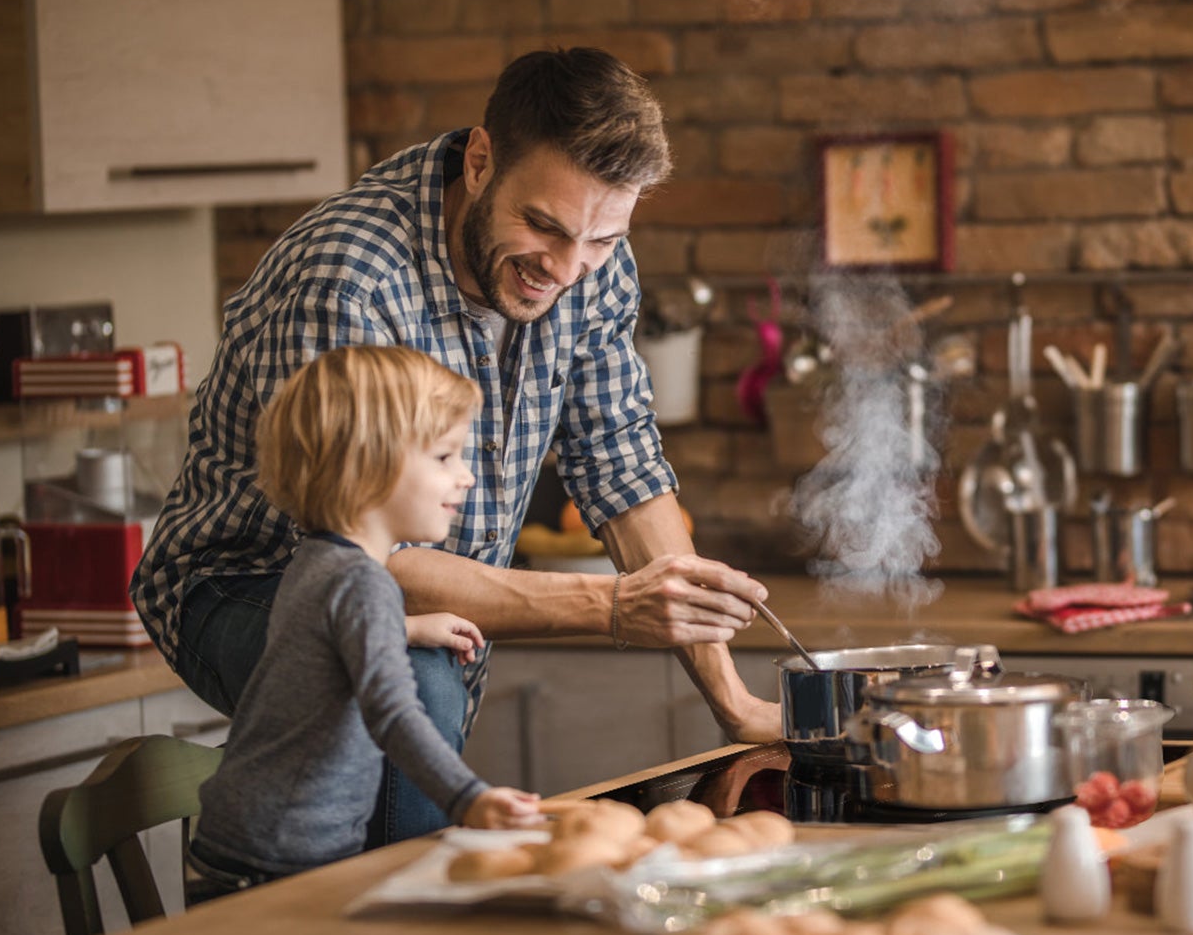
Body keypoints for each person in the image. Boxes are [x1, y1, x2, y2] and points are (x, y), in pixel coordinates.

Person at [132, 47, 780, 846]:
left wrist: (733, 701)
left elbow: (622, 465)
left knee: (419, 692)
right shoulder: (351, 280)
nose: (566, 269)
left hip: (419, 602)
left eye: (602, 239)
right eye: (542, 226)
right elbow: (364, 554)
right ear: (479, 162)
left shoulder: (590, 262)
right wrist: (612, 608)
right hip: (243, 584)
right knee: (411, 676)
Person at [188, 346, 542, 899]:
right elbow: (394, 711)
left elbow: (315, 644)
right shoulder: (363, 584)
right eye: (444, 457)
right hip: (280, 861)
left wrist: (408, 628)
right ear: (366, 464)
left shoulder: (317, 560)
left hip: (244, 842)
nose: (467, 477)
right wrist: (468, 798)